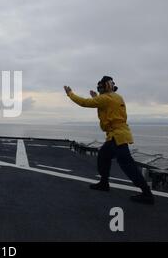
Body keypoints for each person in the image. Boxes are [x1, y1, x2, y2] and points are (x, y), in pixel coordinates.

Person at [64, 76, 154, 205]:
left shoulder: (105, 98)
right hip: (116, 136)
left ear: (105, 87)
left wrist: (70, 94)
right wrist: (96, 98)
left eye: (100, 87)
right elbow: (107, 106)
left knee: (128, 166)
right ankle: (104, 183)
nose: (99, 90)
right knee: (103, 157)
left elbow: (84, 102)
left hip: (117, 137)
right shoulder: (116, 97)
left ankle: (147, 194)